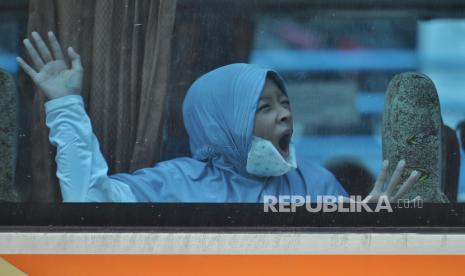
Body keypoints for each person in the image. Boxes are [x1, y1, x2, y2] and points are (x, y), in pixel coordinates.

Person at [16, 31, 419, 202]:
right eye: (263, 107)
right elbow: (91, 202)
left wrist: (364, 228)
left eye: (284, 103)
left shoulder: (315, 183)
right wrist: (65, 104)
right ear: (221, 126)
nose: (283, 116)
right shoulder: (175, 184)